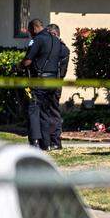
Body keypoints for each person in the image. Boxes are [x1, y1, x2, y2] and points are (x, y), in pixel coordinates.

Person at [21, 19, 62, 150]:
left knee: (33, 110)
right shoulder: (56, 40)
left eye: (30, 31)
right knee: (46, 112)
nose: (30, 34)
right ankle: (46, 143)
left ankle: (35, 142)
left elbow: (27, 61)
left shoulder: (37, 39)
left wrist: (18, 66)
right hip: (53, 81)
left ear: (34, 28)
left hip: (39, 81)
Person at [46, 23, 70, 150]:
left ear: (54, 34)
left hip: (54, 83)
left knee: (53, 112)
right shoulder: (62, 48)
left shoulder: (60, 49)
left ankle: (55, 140)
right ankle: (51, 140)